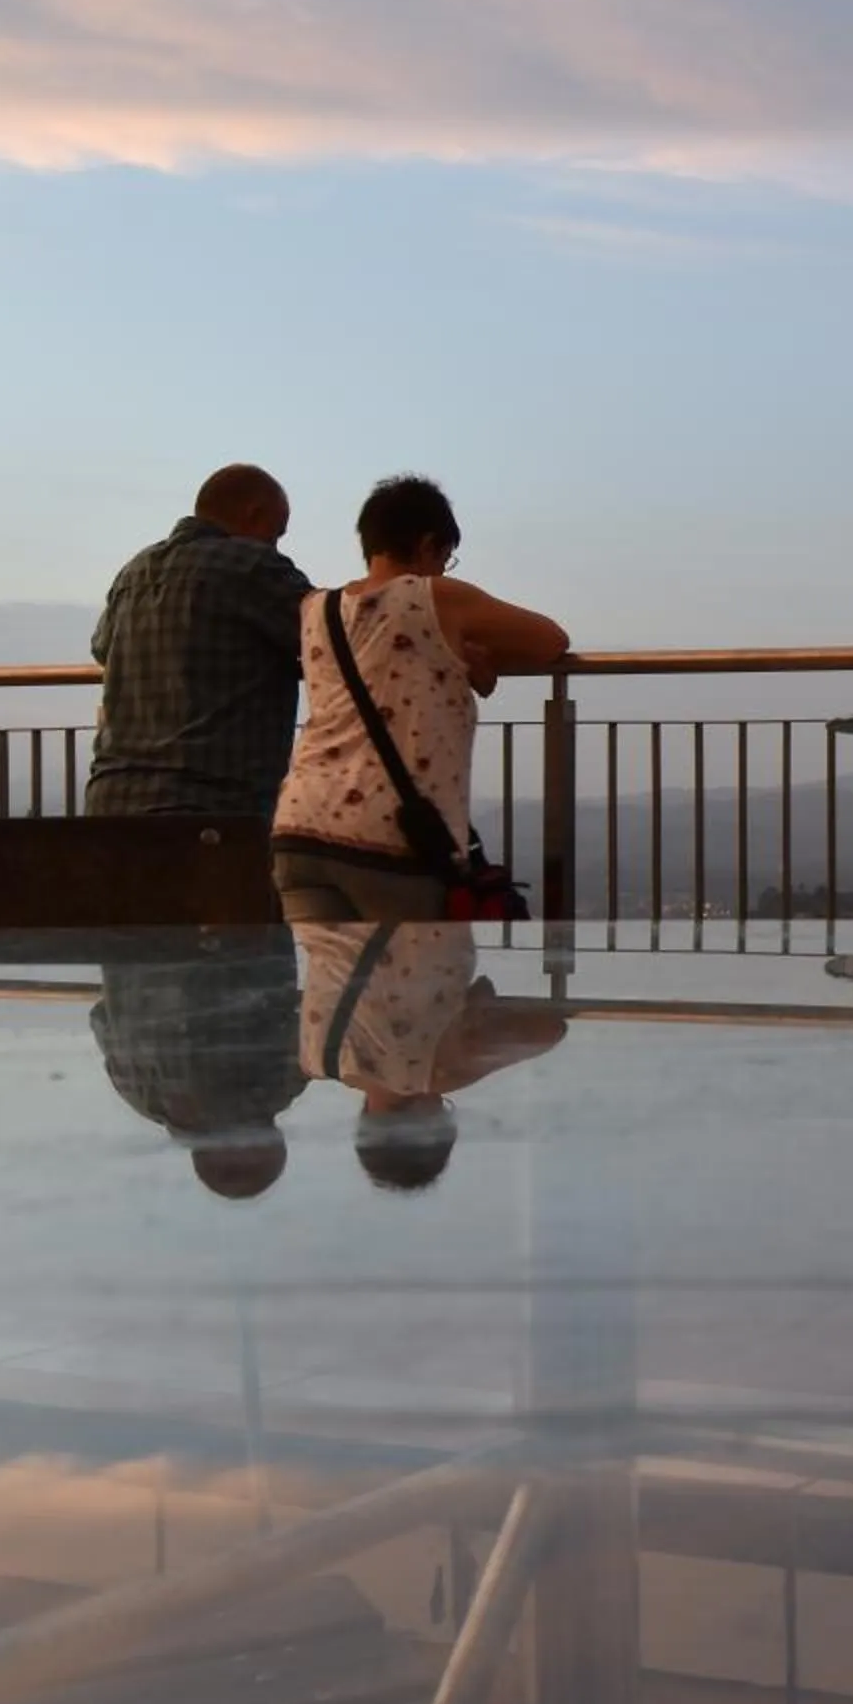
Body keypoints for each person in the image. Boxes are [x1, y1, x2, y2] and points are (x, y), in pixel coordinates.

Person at [270, 475, 568, 923]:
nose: (444, 569)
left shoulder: (317, 608)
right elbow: (549, 640)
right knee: (413, 987)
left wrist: (458, 659)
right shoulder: (436, 595)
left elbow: (388, 664)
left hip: (301, 828)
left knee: (333, 989)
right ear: (429, 544)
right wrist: (473, 652)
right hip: (390, 839)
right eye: (446, 558)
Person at [85, 464, 313, 817]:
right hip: (212, 807)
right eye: (276, 533)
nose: (275, 544)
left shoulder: (134, 570)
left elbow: (102, 648)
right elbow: (332, 634)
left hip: (111, 800)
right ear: (253, 514)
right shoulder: (251, 565)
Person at [294, 919, 568, 1188]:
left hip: (417, 895)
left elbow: (548, 1030)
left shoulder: (438, 1072)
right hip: (320, 900)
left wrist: (474, 1012)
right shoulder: (315, 1061)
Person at [89, 930, 310, 1199]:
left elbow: (306, 1027)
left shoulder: (273, 1089)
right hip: (128, 929)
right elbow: (100, 1017)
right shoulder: (138, 1096)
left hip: (231, 922)